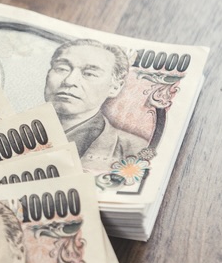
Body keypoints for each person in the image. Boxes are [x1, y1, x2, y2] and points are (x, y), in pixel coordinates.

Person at [43, 39, 150, 169]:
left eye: (89, 74)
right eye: (62, 69)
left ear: (115, 87)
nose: (70, 81)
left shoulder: (134, 150)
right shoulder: (15, 127)